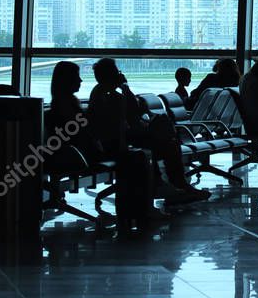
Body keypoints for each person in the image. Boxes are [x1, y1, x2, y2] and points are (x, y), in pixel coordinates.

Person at [87, 58, 209, 203]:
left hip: (121, 140)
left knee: (166, 138)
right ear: (112, 75)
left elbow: (134, 112)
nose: (120, 74)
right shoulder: (108, 95)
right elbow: (134, 112)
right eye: (117, 72)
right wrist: (125, 86)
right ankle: (174, 185)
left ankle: (171, 185)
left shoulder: (104, 92)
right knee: (166, 141)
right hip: (116, 144)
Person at [45, 61, 104, 175]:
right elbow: (82, 132)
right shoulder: (66, 105)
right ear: (68, 80)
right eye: (77, 76)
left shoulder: (62, 103)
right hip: (79, 154)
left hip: (78, 151)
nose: (80, 80)